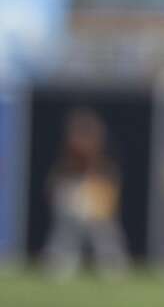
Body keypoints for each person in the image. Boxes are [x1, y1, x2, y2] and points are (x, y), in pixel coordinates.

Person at [43, 108, 128, 279]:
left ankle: (112, 268)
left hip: (94, 188)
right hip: (73, 187)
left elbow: (108, 174)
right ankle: (58, 266)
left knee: (104, 231)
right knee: (67, 230)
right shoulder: (69, 155)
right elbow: (59, 176)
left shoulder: (102, 154)